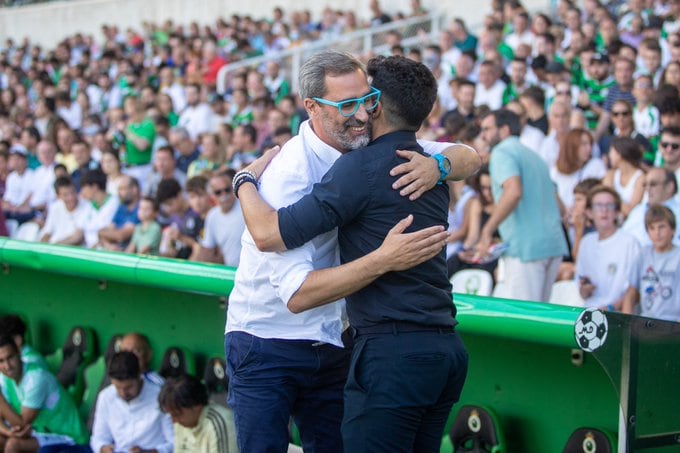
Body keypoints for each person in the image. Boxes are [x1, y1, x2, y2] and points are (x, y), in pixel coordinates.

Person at [225, 50, 479, 453]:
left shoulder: (371, 144)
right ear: (312, 107)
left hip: (338, 338)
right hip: (268, 338)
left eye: (368, 100)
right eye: (347, 105)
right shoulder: (290, 172)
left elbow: (469, 155)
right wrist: (243, 181)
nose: (361, 114)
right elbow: (282, 266)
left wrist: (439, 168)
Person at [478, 109, 568, 302]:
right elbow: (560, 207)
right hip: (552, 245)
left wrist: (487, 230)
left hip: (527, 249)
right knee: (540, 319)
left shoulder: (501, 151)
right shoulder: (535, 156)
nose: (483, 135)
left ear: (504, 130)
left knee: (525, 321)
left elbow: (513, 191)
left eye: (487, 129)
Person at [0, 336, 88, 451]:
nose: (7, 366)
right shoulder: (5, 377)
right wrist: (8, 432)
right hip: (40, 432)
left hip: (68, 436)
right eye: (1, 361)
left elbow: (21, 424)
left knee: (13, 445)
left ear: (19, 353)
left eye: (10, 357)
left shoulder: (36, 377)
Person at [90, 351, 173, 453]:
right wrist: (103, 448)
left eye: (128, 387)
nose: (123, 393)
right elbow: (98, 438)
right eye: (118, 387)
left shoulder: (160, 397)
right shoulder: (106, 397)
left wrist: (151, 452)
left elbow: (174, 443)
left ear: (139, 376)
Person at [575, 186, 640, 310]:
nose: (604, 210)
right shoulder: (586, 242)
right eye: (598, 205)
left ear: (616, 212)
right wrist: (584, 290)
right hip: (589, 312)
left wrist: (610, 308)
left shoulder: (629, 242)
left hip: (618, 316)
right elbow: (581, 288)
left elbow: (636, 290)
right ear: (589, 212)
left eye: (609, 206)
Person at [622, 205, 680, 321]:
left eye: (661, 227)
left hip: (673, 323)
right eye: (652, 228)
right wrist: (626, 324)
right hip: (646, 323)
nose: (657, 233)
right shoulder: (643, 254)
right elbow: (631, 293)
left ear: (673, 229)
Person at [158, 374, 238, 453]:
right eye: (171, 415)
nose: (173, 421)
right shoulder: (181, 423)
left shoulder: (219, 424)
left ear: (196, 405)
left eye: (177, 415)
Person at [194, 170, 245, 266]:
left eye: (227, 190)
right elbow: (207, 250)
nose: (224, 195)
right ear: (211, 196)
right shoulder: (212, 216)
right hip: (230, 274)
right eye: (218, 192)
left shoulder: (246, 207)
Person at [622, 168, 680, 246]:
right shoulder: (638, 210)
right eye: (645, 185)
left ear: (669, 187)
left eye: (653, 184)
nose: (647, 189)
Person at [39, 176, 89, 245]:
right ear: (58, 196)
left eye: (72, 192)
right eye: (65, 195)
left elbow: (77, 237)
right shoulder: (55, 207)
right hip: (54, 248)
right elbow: (47, 232)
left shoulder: (86, 206)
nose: (71, 197)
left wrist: (54, 246)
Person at [97, 174, 140, 250]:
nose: (119, 193)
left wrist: (102, 233)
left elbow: (121, 236)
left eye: (123, 189)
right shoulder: (121, 207)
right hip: (115, 250)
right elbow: (106, 231)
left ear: (134, 189)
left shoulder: (141, 208)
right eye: (119, 189)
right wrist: (108, 246)